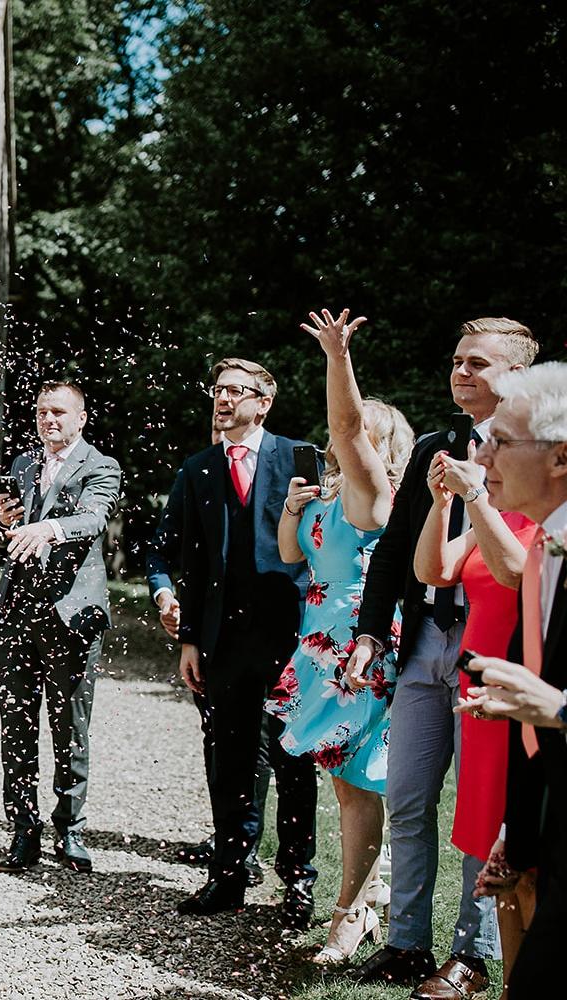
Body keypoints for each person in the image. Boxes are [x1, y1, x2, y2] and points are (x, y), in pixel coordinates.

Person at [347, 318, 536, 994]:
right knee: (407, 797)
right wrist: (372, 633)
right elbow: (396, 552)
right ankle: (405, 943)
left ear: (515, 376)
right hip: (427, 642)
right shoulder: (435, 443)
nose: (461, 372)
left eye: (478, 363)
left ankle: (474, 954)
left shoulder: (531, 452)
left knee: (482, 808)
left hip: (497, 646)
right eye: (457, 360)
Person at [262, 310, 413, 963]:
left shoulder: (376, 498)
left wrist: (336, 356)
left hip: (362, 651)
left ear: (384, 448)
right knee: (345, 786)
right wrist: (296, 506)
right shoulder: (329, 498)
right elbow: (290, 556)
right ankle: (366, 900)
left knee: (358, 787)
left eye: (361, 436)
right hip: (318, 648)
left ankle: (350, 915)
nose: (343, 439)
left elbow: (347, 426)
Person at [150, 357, 319, 924]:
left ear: (263, 401)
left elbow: (325, 547)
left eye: (235, 392)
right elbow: (173, 554)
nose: (222, 400)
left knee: (294, 760)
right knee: (230, 763)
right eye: (217, 390)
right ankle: (228, 876)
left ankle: (297, 879)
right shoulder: (198, 468)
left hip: (290, 638)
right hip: (221, 642)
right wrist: (186, 633)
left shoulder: (297, 458)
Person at [459, 361, 567, 1000]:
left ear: (560, 459)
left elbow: (549, 706)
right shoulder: (545, 550)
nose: (482, 453)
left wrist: (556, 707)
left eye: (501, 441)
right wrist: (517, 836)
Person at [414, 425, 535, 990]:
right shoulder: (501, 512)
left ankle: (497, 963)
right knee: (489, 833)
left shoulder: (541, 520)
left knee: (525, 844)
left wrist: (477, 498)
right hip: (480, 693)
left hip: (525, 690)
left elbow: (517, 573)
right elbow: (434, 571)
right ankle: (506, 975)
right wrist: (442, 505)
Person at [0, 381, 120, 875]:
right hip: (17, 611)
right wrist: (8, 523)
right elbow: (18, 532)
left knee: (70, 727)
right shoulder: (23, 465)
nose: (49, 420)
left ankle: (70, 829)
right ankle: (23, 828)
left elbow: (93, 519)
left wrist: (47, 528)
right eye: (43, 412)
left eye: (60, 413)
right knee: (16, 725)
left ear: (81, 418)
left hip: (71, 616)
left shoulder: (101, 467)